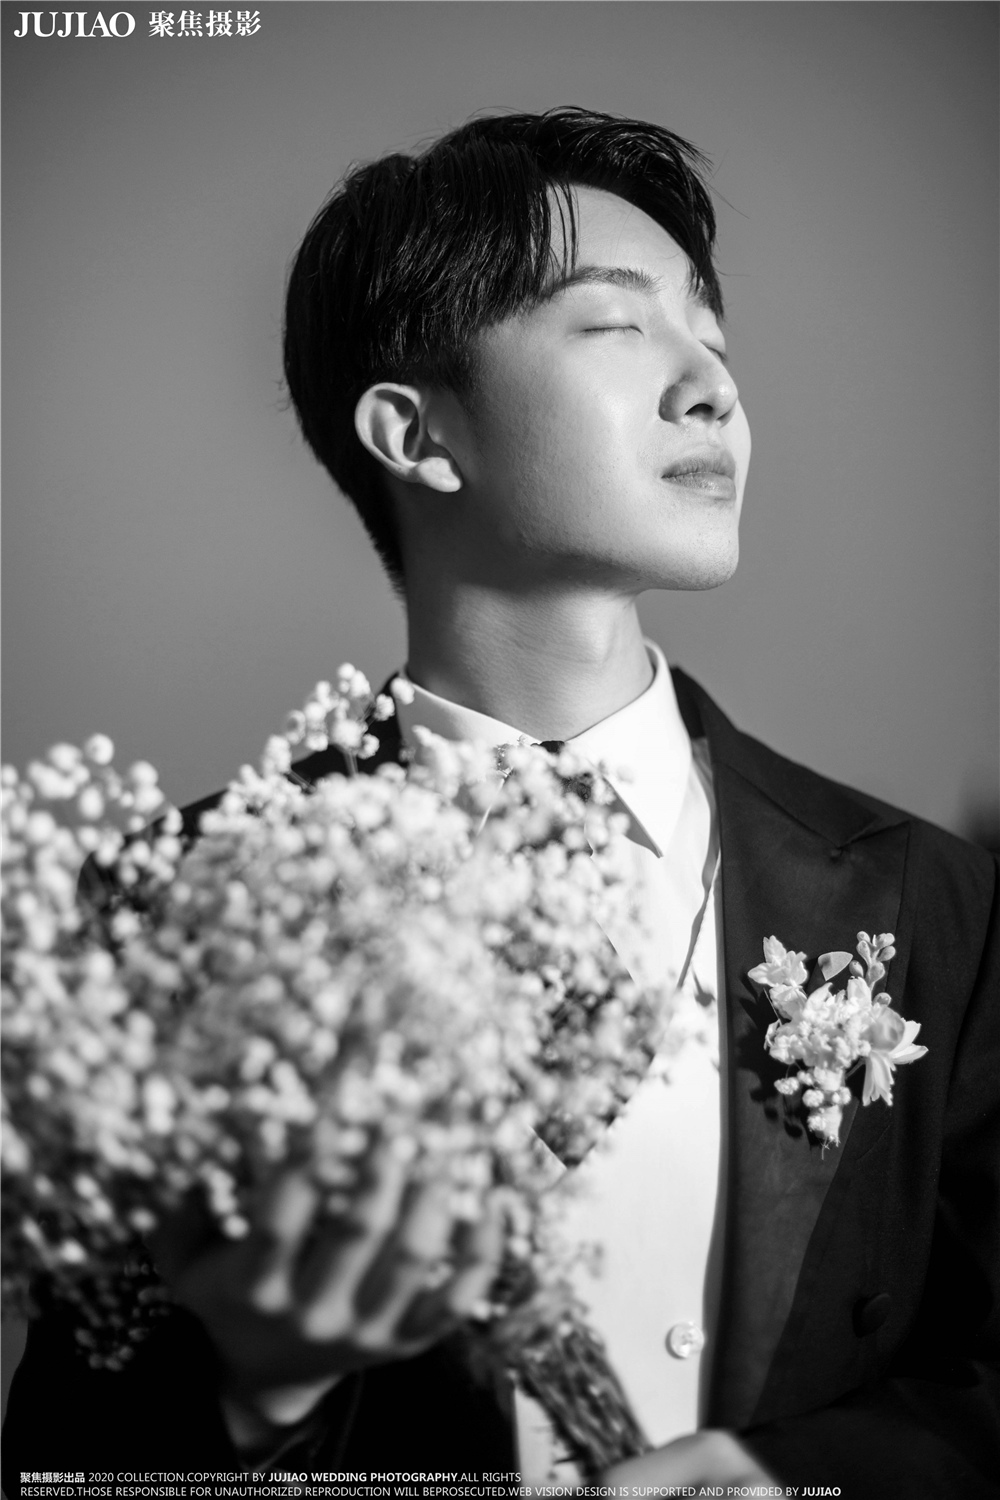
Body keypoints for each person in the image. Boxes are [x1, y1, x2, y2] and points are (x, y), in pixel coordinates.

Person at [4, 108, 998, 1499]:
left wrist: (808, 1476)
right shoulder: (176, 909)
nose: (711, 386)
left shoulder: (928, 899)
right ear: (415, 433)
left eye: (713, 334)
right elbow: (68, 1458)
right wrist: (260, 1385)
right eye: (618, 324)